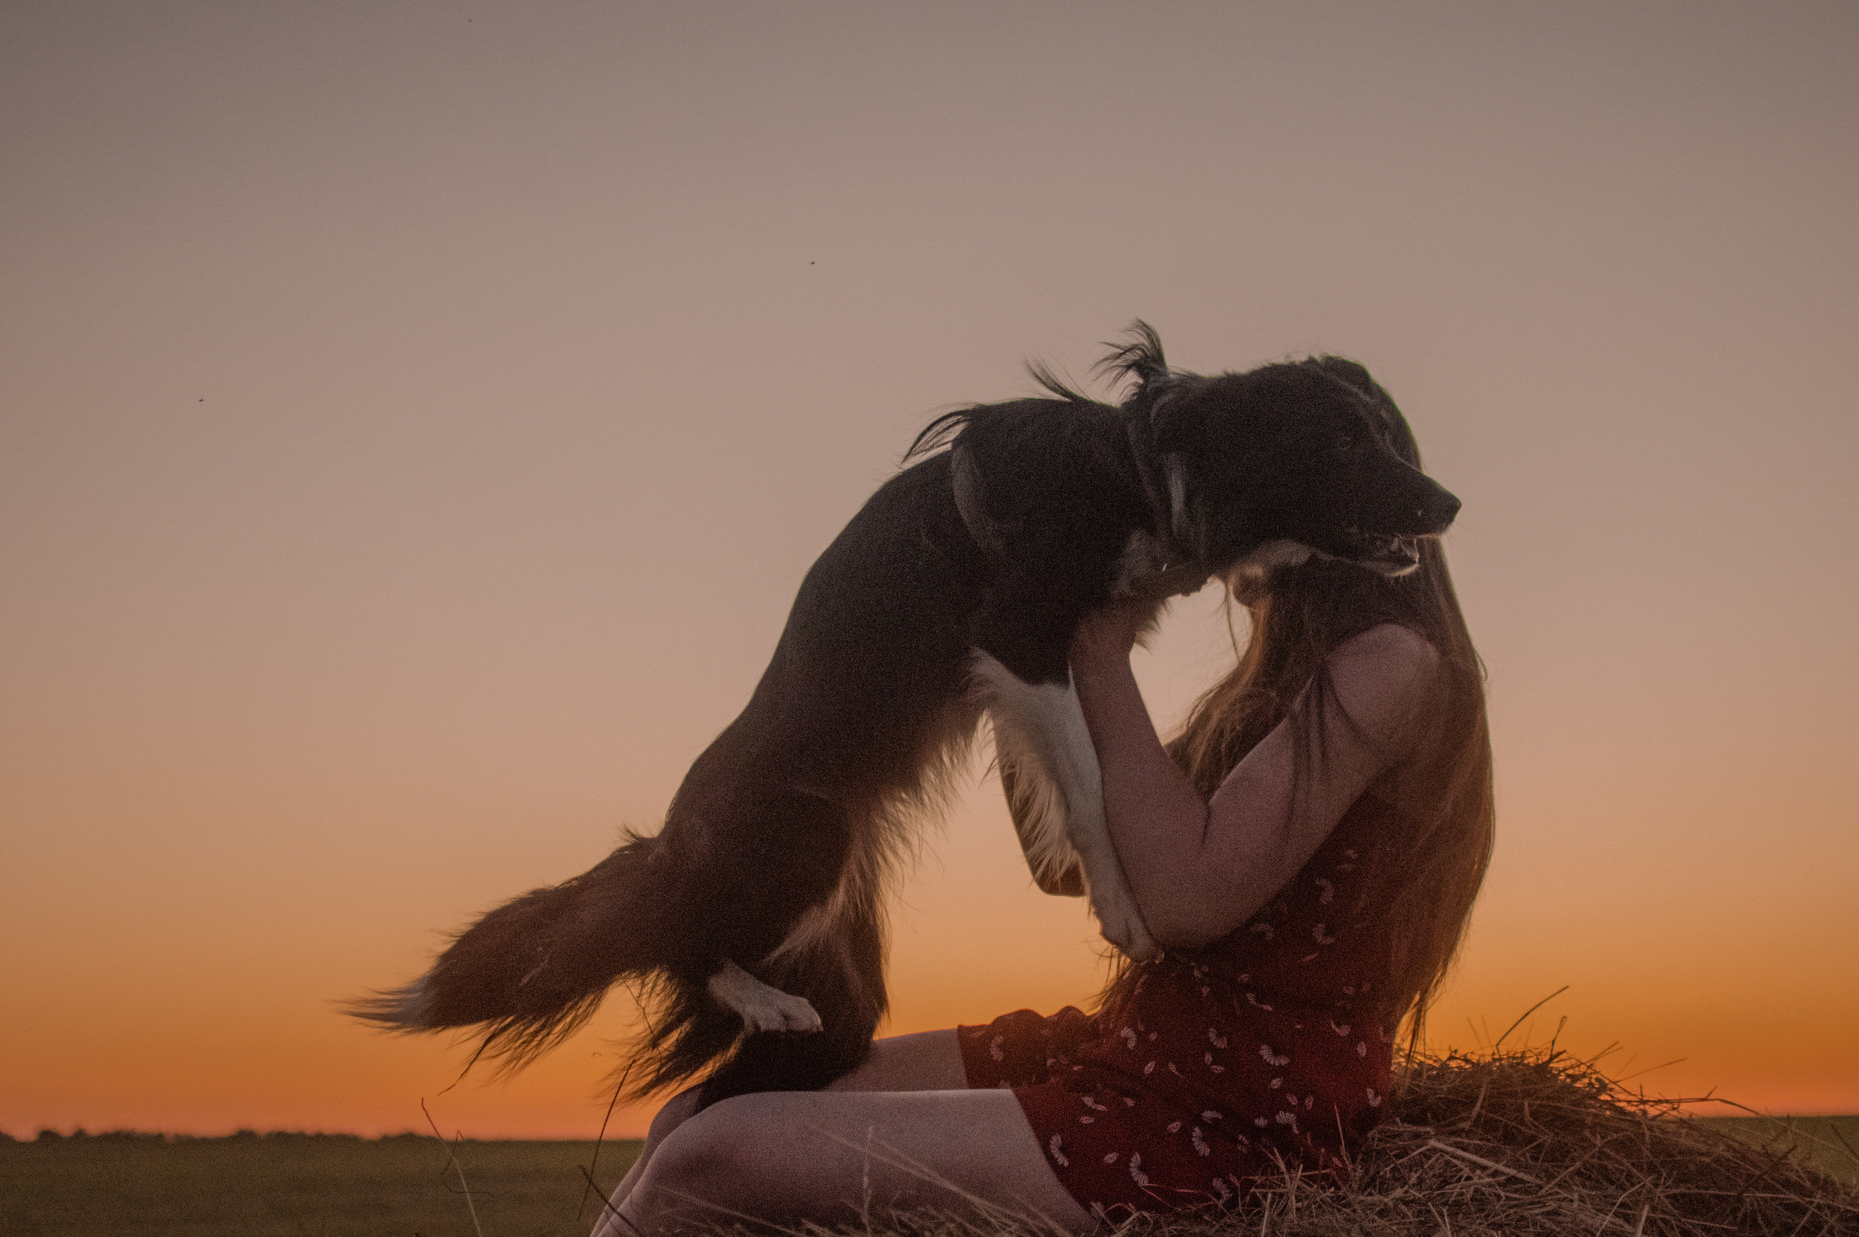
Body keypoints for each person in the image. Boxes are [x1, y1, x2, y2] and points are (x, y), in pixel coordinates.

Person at [594, 430, 1493, 1233]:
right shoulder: (1269, 695)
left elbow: (1180, 899)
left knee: (705, 1162)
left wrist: (1093, 642)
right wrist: (1016, 616)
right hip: (1141, 1050)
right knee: (700, 1114)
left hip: (1229, 1114)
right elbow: (1060, 862)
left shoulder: (1392, 667)